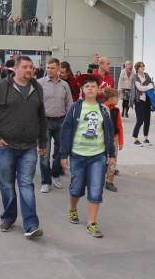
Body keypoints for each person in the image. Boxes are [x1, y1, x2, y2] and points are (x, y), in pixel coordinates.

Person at [0, 56, 47, 238]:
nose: (29, 70)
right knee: (7, 184)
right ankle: (9, 217)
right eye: (25, 67)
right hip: (6, 146)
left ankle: (31, 224)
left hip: (28, 147)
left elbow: (42, 117)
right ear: (16, 69)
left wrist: (42, 142)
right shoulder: (2, 87)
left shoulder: (37, 88)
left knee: (26, 184)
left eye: (31, 67)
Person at [59, 77, 116, 239]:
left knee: (96, 189)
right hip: (78, 155)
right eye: (87, 86)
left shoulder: (104, 109)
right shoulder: (75, 108)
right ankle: (73, 209)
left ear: (99, 90)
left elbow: (109, 133)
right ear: (83, 90)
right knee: (76, 188)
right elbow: (66, 130)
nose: (90, 88)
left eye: (93, 86)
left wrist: (111, 154)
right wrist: (64, 154)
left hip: (98, 156)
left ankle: (92, 223)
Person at [38, 58, 72, 194]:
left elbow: (69, 103)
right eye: (48, 68)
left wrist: (69, 121)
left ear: (58, 69)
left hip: (61, 122)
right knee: (44, 154)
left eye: (52, 68)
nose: (49, 70)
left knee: (60, 151)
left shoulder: (64, 85)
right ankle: (46, 181)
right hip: (45, 122)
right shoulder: (39, 84)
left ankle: (55, 174)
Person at [102, 87, 123, 192]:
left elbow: (119, 126)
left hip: (114, 137)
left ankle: (109, 181)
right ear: (110, 98)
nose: (117, 100)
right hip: (102, 138)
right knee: (101, 158)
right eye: (116, 98)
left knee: (113, 160)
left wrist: (121, 141)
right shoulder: (102, 108)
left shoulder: (116, 110)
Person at [131, 62, 154, 146]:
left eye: (143, 66)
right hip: (139, 100)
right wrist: (149, 86)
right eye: (141, 67)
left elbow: (151, 83)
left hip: (147, 100)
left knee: (147, 120)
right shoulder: (135, 77)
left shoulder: (146, 75)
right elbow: (140, 88)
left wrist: (149, 86)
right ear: (137, 68)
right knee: (140, 120)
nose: (143, 68)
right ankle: (135, 139)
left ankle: (145, 138)